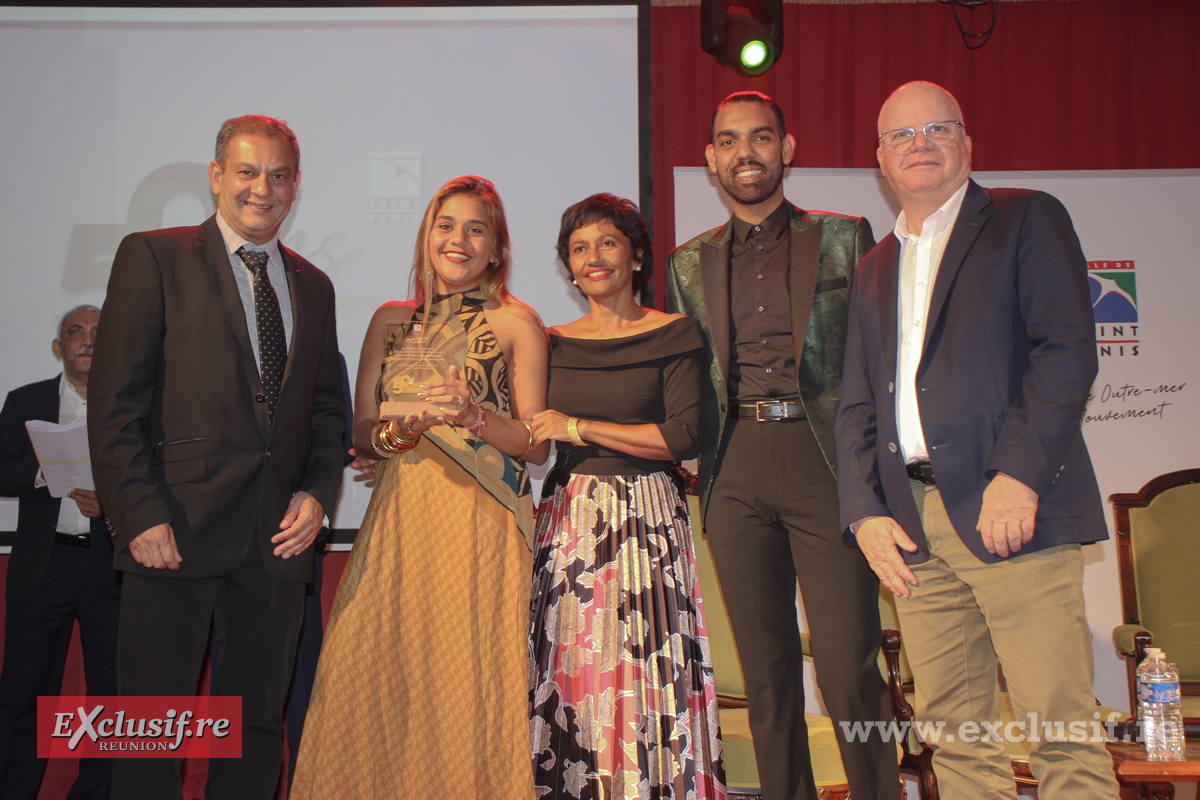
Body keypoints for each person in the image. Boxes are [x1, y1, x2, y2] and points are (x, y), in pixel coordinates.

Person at [836, 81, 1119, 799]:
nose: (920, 143)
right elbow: (858, 406)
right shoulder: (872, 269)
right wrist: (865, 513)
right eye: (902, 135)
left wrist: (1018, 475)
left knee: (1058, 729)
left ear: (967, 143)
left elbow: (1066, 351)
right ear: (881, 161)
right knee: (954, 738)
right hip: (913, 532)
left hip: (1009, 511)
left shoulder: (1025, 219)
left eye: (937, 128)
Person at [87, 115, 344, 800]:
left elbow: (325, 410)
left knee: (256, 732)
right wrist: (136, 511)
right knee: (151, 732)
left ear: (296, 185)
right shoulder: (153, 256)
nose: (263, 188)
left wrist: (319, 493)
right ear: (216, 176)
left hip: (277, 548)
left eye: (279, 175)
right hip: (170, 535)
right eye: (247, 171)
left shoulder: (314, 286)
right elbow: (115, 402)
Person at [665, 91, 899, 800]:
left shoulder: (845, 236)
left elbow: (877, 355)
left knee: (847, 664)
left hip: (825, 463)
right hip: (734, 469)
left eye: (761, 138)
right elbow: (686, 369)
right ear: (711, 160)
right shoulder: (687, 262)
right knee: (765, 672)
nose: (746, 153)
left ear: (787, 149)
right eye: (730, 141)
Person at [291, 175, 549, 799]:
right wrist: (393, 436)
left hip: (480, 525)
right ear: (426, 236)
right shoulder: (389, 321)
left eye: (475, 228)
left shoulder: (518, 323)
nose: (457, 240)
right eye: (445, 225)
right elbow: (360, 432)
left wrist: (471, 417)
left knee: (469, 682)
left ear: (497, 248)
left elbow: (537, 446)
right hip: (399, 522)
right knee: (374, 673)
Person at [527, 193, 725, 800]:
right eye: (579, 248)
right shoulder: (549, 340)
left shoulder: (674, 332)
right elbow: (530, 432)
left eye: (608, 243)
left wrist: (579, 427)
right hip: (569, 526)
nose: (594, 258)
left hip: (649, 523)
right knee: (573, 675)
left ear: (636, 256)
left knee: (648, 676)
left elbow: (684, 436)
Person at [0, 305, 119, 800]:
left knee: (112, 699)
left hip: (110, 567)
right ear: (58, 347)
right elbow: (2, 474)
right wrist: (41, 475)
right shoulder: (24, 400)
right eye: (76, 332)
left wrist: (115, 502)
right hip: (43, 566)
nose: (88, 340)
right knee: (22, 694)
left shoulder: (136, 403)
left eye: (98, 332)